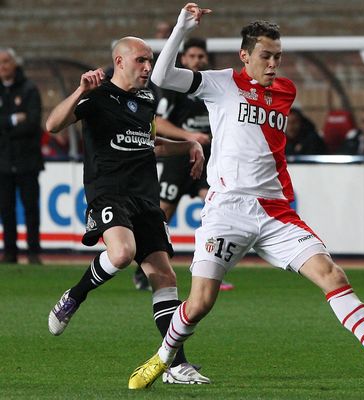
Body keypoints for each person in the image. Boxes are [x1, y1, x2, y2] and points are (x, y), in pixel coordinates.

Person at [128, 3, 364, 390]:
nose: (273, 64)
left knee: (331, 274)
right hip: (228, 209)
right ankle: (164, 358)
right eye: (265, 56)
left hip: (275, 211)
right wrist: (182, 27)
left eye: (278, 57)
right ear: (245, 56)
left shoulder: (286, 90)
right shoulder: (221, 83)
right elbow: (164, 75)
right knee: (200, 302)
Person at [45, 36, 211, 385]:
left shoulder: (148, 99)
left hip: (145, 198)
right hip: (109, 193)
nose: (148, 67)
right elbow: (53, 125)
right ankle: (75, 295)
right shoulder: (97, 96)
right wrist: (79, 92)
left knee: (165, 278)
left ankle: (175, 364)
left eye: (150, 61)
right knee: (122, 254)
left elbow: (151, 145)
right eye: (141, 60)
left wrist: (189, 144)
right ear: (119, 62)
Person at [131, 37, 234, 292]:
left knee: (216, 210)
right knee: (162, 215)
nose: (197, 61)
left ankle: (211, 273)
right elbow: (159, 122)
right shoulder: (176, 87)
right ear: (184, 59)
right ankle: (144, 270)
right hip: (179, 159)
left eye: (201, 57)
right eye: (192, 57)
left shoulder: (214, 87)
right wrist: (190, 137)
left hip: (207, 160)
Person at [0, 47, 43, 265]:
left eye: (6, 61)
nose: (3, 66)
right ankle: (9, 253)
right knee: (5, 210)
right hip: (3, 163)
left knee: (30, 209)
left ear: (14, 63)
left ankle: (34, 253)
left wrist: (5, 127)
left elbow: (33, 123)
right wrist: (13, 120)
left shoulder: (29, 89)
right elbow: (21, 123)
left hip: (28, 160)